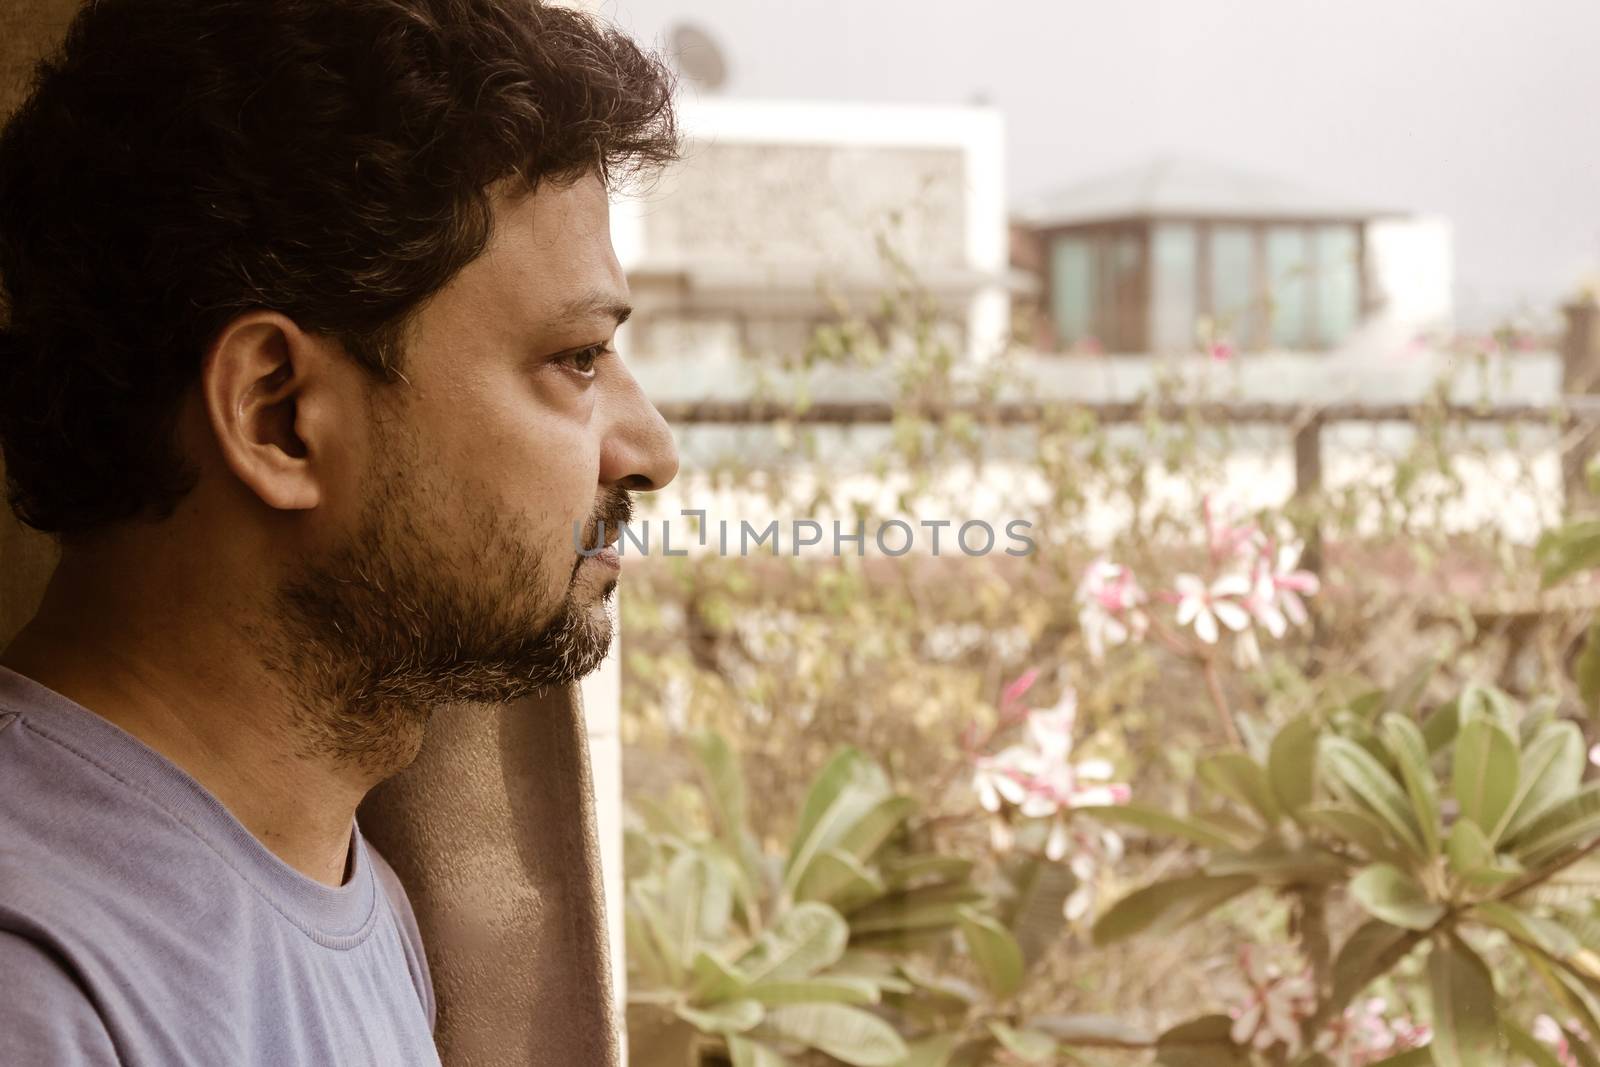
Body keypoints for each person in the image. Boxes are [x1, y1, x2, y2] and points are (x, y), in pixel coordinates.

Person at [0, 0, 680, 1062]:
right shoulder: (37, 979)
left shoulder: (342, 885)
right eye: (577, 359)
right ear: (278, 414)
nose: (647, 450)